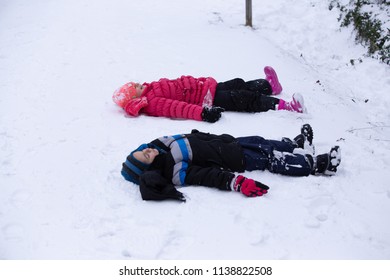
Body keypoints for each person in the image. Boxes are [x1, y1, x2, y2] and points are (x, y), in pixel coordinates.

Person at [120, 124, 341, 201]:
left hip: (226, 143)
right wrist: (236, 182)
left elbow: (191, 137)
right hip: (232, 159)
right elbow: (206, 176)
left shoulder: (161, 145)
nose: (147, 150)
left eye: (142, 150)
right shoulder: (175, 171)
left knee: (260, 141)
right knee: (269, 158)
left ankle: (295, 145)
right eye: (146, 156)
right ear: (151, 167)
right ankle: (316, 165)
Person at [112, 66, 306, 123]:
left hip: (206, 88)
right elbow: (179, 108)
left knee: (239, 84)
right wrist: (203, 113)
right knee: (244, 98)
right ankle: (286, 106)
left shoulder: (151, 87)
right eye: (134, 87)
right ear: (135, 98)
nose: (138, 84)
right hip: (206, 99)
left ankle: (271, 86)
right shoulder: (152, 102)